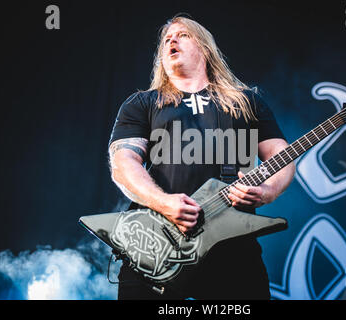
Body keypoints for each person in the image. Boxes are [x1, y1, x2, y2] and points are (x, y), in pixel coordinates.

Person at [108, 15, 295, 300]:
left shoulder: (247, 102)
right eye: (166, 39)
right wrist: (164, 202)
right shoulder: (142, 103)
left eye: (182, 35)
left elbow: (281, 154)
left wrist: (268, 191)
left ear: (205, 48)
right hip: (157, 248)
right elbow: (123, 164)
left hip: (234, 250)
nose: (171, 40)